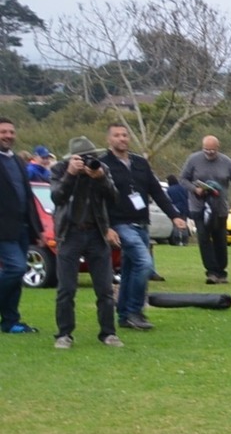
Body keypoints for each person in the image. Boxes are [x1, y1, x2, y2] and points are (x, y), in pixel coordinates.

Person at [100, 122, 185, 331]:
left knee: (130, 269)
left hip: (141, 224)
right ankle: (135, 311)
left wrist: (174, 216)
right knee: (144, 264)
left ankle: (124, 315)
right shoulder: (103, 165)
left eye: (125, 135)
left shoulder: (140, 163)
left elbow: (156, 191)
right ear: (109, 139)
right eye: (117, 135)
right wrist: (106, 227)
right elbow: (98, 199)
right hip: (121, 224)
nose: (122, 138)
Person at [52, 138, 122, 349]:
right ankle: (64, 334)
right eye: (82, 158)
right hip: (70, 233)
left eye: (91, 157)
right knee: (66, 288)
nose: (87, 161)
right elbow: (57, 198)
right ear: (72, 158)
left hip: (96, 233)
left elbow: (115, 198)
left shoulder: (101, 170)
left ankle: (108, 333)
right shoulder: (60, 169)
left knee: (105, 288)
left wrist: (101, 178)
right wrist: (70, 174)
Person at [179, 134, 231, 285]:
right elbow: (182, 179)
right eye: (206, 150)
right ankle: (211, 272)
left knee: (220, 238)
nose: (209, 153)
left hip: (219, 208)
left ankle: (221, 271)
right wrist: (195, 189)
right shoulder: (193, 159)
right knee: (203, 238)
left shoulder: (227, 162)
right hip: (199, 207)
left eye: (212, 150)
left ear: (218, 148)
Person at [0, 118, 40, 334]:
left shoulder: (17, 161)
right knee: (16, 268)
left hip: (22, 227)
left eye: (11, 132)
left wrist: (37, 229)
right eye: (3, 132)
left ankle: (10, 321)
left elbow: (28, 196)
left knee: (15, 276)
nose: (8, 135)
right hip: (3, 227)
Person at [164, 175, 192, 244]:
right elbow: (188, 198)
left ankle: (177, 240)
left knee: (176, 225)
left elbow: (168, 200)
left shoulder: (169, 189)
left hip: (175, 209)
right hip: (185, 208)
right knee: (184, 224)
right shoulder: (183, 188)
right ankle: (185, 240)